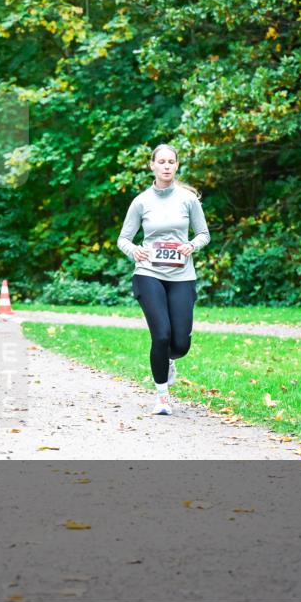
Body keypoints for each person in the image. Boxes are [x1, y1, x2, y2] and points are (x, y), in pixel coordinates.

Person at [116, 144, 210, 416]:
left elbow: (204, 234)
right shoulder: (141, 201)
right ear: (152, 166)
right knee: (161, 334)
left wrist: (192, 246)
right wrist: (135, 250)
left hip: (182, 275)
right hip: (148, 274)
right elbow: (123, 238)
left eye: (171, 161)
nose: (167, 166)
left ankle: (170, 361)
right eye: (162, 161)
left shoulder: (188, 200)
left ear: (176, 166)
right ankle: (162, 397)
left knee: (180, 344)